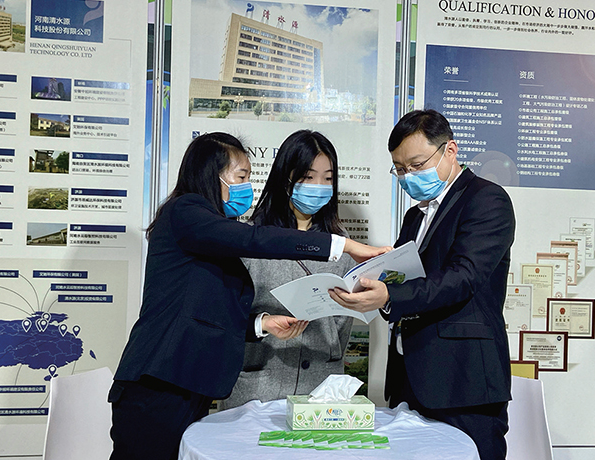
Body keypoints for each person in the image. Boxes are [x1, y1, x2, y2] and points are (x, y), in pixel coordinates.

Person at [108, 132, 387, 460]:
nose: (246, 187)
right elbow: (255, 239)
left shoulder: (210, 234)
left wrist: (262, 324)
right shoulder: (185, 210)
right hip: (159, 382)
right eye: (240, 177)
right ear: (212, 174)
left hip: (189, 386)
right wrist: (344, 245)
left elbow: (210, 314)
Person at [329, 110, 515, 460]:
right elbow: (408, 279)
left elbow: (463, 277)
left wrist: (390, 295)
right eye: (399, 169)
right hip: (411, 377)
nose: (408, 176)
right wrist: (377, 283)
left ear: (450, 150)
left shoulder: (486, 199)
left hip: (464, 380)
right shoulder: (415, 215)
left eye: (416, 165)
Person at [220, 130, 355, 410]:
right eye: (308, 177)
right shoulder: (249, 240)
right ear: (286, 178)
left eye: (328, 178)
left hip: (320, 391)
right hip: (256, 390)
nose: (319, 186)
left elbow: (342, 325)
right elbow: (226, 316)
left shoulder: (341, 245)